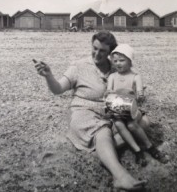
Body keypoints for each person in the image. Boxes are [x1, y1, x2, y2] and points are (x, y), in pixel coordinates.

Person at [34, 31, 147, 191]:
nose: (97, 53)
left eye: (103, 51)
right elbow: (58, 89)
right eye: (95, 48)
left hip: (112, 111)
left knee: (144, 123)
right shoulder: (78, 66)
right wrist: (48, 76)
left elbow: (130, 85)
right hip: (84, 112)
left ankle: (103, 151)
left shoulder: (116, 67)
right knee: (102, 132)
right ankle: (121, 176)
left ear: (110, 52)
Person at [106, 44, 168, 166]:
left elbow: (140, 93)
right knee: (118, 123)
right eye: (115, 61)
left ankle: (150, 147)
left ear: (130, 61)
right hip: (118, 109)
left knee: (131, 124)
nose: (118, 63)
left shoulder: (135, 76)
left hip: (132, 109)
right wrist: (110, 93)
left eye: (122, 60)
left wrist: (140, 95)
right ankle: (137, 150)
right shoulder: (112, 77)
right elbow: (108, 91)